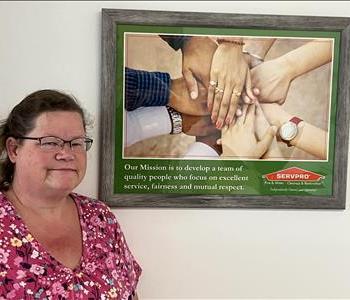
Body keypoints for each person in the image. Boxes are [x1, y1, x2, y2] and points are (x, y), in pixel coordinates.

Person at [0, 90, 141, 299]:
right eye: (49, 142)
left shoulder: (101, 219)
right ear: (13, 150)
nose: (66, 154)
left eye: (76, 143)